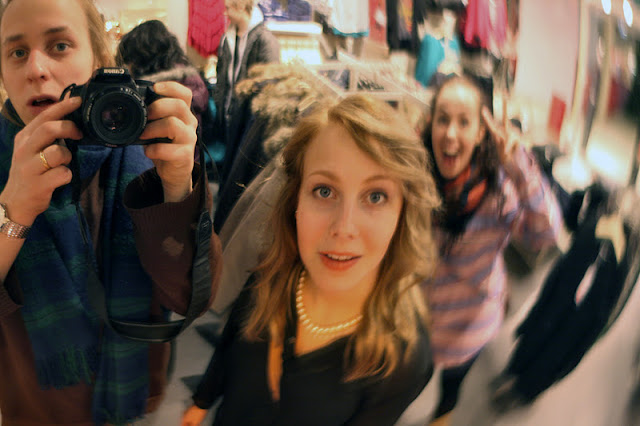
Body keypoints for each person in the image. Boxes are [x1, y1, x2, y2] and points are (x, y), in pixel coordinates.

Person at [0, 0, 222, 425]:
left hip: (135, 399)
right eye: (17, 52)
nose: (36, 69)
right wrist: (14, 211)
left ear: (99, 57)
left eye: (60, 45)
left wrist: (177, 187)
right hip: (37, 407)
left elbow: (191, 296)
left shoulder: (148, 154)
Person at [181, 94, 440, 426]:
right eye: (324, 191)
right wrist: (202, 401)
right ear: (295, 200)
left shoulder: (405, 359)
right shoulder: (272, 273)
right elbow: (231, 341)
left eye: (375, 196)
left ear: (403, 213)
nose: (343, 228)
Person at [420, 75, 562, 424]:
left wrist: (521, 169)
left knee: (449, 391)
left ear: (481, 132)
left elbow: (546, 234)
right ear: (430, 123)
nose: (450, 134)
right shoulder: (417, 176)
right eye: (443, 119)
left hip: (469, 323)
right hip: (419, 317)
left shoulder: (500, 192)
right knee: (412, 380)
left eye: (464, 122)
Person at [215, 0, 280, 185]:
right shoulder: (227, 37)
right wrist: (219, 103)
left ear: (241, 7)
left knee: (241, 169)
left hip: (248, 116)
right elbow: (222, 74)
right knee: (229, 164)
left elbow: (270, 81)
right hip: (229, 111)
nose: (225, 13)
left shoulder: (264, 39)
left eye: (228, 8)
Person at [116, 19, 210, 131]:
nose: (129, 66)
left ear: (140, 57)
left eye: (129, 60)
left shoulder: (150, 89)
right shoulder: (192, 79)